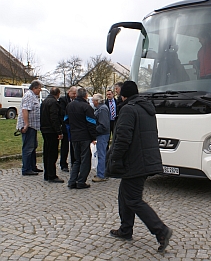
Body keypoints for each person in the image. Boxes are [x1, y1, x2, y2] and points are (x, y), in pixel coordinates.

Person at [106, 81, 172, 253]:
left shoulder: (128, 109)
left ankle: (161, 230)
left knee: (133, 199)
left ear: (124, 95)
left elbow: (122, 138)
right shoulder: (146, 108)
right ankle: (125, 229)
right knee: (124, 195)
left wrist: (115, 159)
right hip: (144, 159)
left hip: (134, 162)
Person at [65, 88, 97, 189]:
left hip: (74, 136)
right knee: (85, 160)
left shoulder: (69, 106)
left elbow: (66, 120)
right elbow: (91, 123)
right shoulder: (87, 107)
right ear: (85, 96)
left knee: (76, 160)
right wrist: (93, 137)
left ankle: (72, 181)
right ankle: (81, 181)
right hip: (85, 136)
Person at [16, 80, 43, 176]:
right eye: (39, 88)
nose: (40, 90)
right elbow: (25, 110)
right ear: (34, 88)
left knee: (33, 146)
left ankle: (32, 166)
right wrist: (26, 124)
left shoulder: (33, 96)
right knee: (28, 147)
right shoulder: (29, 96)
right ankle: (26, 168)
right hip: (29, 126)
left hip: (33, 126)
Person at [40, 87, 64, 183]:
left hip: (45, 129)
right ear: (58, 94)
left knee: (47, 152)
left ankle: (47, 173)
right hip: (51, 130)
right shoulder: (53, 103)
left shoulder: (45, 101)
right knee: (52, 153)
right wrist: (59, 131)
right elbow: (54, 118)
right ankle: (51, 175)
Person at [91, 93, 110, 182]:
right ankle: (102, 172)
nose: (92, 102)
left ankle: (101, 175)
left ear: (97, 101)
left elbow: (103, 125)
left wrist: (94, 130)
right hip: (102, 134)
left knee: (101, 154)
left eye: (93, 100)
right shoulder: (101, 108)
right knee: (102, 154)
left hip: (102, 134)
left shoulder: (102, 109)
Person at [58, 86, 77, 172]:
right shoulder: (63, 100)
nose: (74, 95)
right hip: (65, 125)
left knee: (73, 146)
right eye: (73, 93)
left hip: (73, 126)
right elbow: (62, 112)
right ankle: (63, 164)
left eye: (76, 94)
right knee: (65, 146)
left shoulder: (76, 100)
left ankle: (74, 162)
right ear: (69, 92)